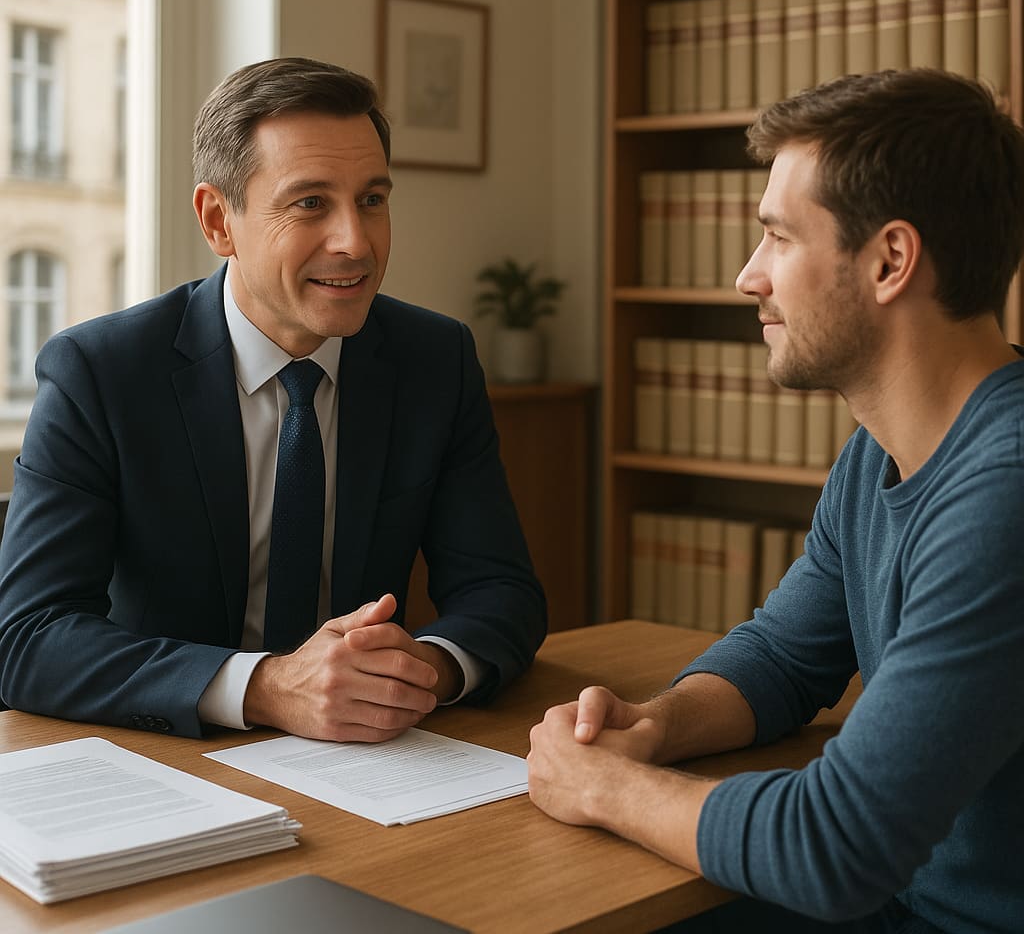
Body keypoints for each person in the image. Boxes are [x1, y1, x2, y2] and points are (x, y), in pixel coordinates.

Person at [527, 69, 1024, 933]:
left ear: (890, 261)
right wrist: (654, 725)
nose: (747, 277)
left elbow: (835, 847)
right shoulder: (880, 450)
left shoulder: (1004, 492)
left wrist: (609, 786)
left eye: (778, 238)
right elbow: (788, 656)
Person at [0, 57, 546, 742]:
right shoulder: (100, 373)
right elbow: (30, 637)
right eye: (310, 203)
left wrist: (417, 672)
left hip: (368, 759)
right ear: (218, 221)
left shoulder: (436, 360)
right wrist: (268, 688)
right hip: (166, 754)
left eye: (372, 200)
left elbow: (502, 592)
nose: (355, 242)